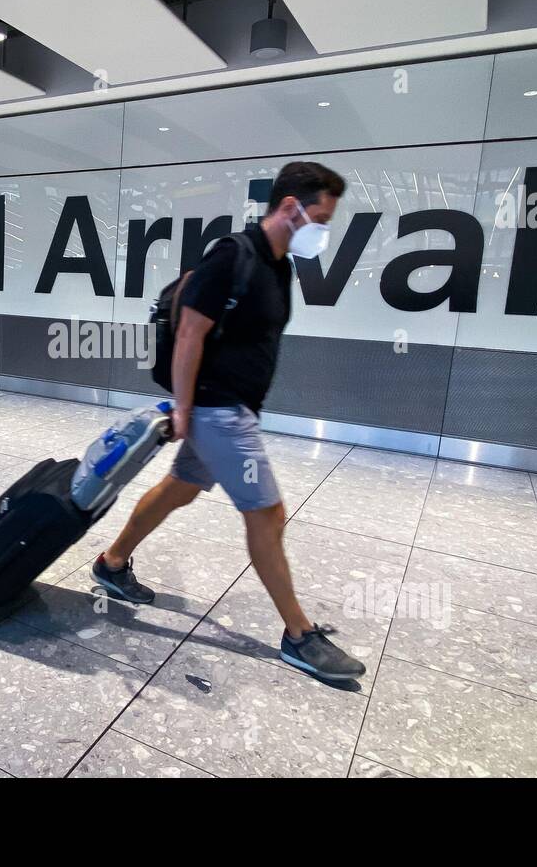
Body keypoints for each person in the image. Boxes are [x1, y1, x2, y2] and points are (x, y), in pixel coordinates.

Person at [92, 161, 367, 682]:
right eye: (321, 217)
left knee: (180, 488)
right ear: (291, 207)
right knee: (267, 514)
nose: (324, 230)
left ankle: (110, 564)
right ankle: (298, 637)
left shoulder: (278, 264)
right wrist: (185, 408)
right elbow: (191, 332)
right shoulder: (231, 255)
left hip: (232, 407)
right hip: (217, 410)